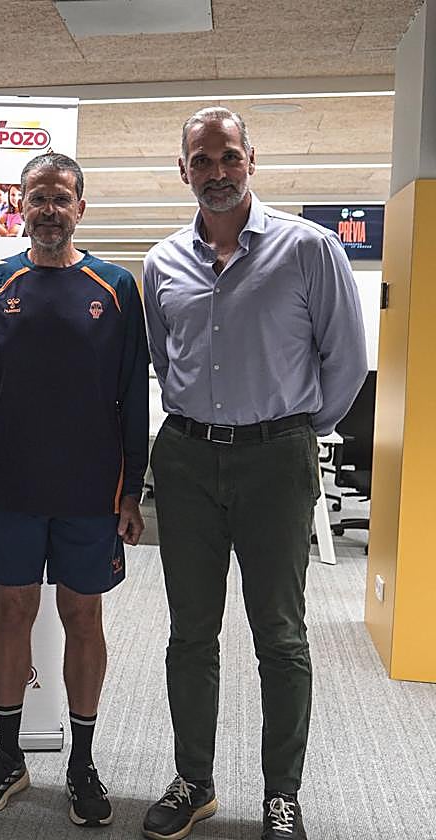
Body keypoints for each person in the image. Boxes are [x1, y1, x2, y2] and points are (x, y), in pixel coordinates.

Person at [140, 107, 367, 840]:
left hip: (277, 459)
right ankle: (194, 780)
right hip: (184, 460)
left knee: (280, 633)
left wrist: (292, 431)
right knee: (189, 632)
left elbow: (343, 364)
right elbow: (159, 354)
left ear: (251, 160)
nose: (216, 172)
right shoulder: (162, 262)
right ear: (183, 171)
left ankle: (282, 794)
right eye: (200, 161)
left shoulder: (310, 248)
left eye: (227, 157)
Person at [0, 152, 148, 828]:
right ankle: (9, 757)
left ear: (80, 207)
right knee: (11, 615)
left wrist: (132, 490)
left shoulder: (116, 286)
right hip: (10, 489)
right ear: (21, 205)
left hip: (90, 492)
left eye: (60, 198)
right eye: (36, 197)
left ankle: (82, 763)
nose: (48, 209)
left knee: (83, 619)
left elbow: (132, 395)